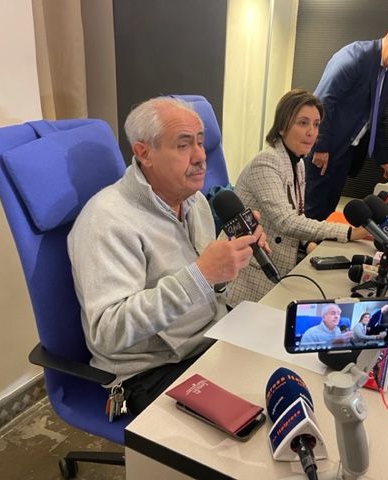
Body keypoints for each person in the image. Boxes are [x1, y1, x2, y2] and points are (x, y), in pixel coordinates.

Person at [67, 97, 268, 416]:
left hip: (209, 337)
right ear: (144, 153)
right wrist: (201, 275)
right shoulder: (106, 220)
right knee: (250, 428)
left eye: (200, 142)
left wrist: (225, 267)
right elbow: (108, 333)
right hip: (151, 369)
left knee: (289, 368)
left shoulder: (194, 202)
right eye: (183, 145)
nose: (200, 156)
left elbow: (203, 290)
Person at [225, 89, 368, 306]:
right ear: (282, 126)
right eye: (303, 123)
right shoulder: (266, 162)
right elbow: (287, 222)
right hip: (252, 278)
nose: (312, 132)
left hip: (281, 266)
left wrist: (308, 245)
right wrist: (349, 232)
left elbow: (296, 213)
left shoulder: (298, 163)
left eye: (316, 124)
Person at [304, 18, 388, 221]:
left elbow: (377, 118)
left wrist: (383, 158)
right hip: (325, 150)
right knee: (311, 210)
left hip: (346, 153)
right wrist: (321, 146)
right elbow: (322, 102)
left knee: (328, 210)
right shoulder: (354, 57)